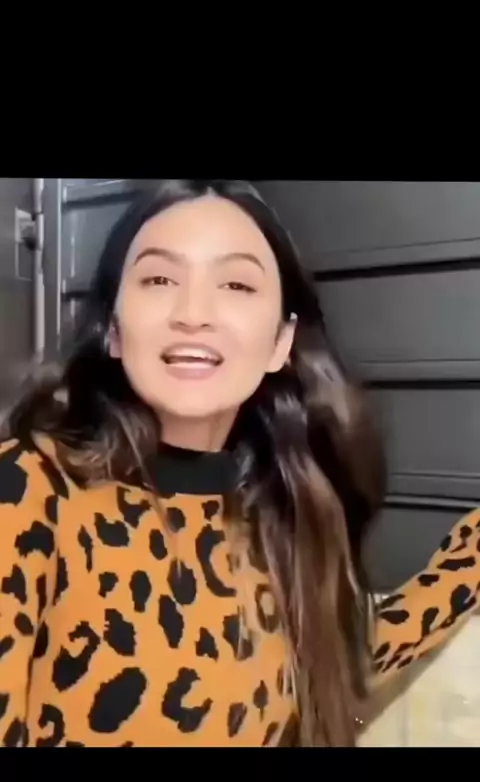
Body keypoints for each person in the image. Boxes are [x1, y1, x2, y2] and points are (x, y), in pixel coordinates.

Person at [0, 179, 478, 748]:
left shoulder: (284, 510)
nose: (193, 314)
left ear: (281, 342)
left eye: (236, 284)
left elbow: (342, 666)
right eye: (159, 280)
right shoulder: (28, 490)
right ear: (114, 331)